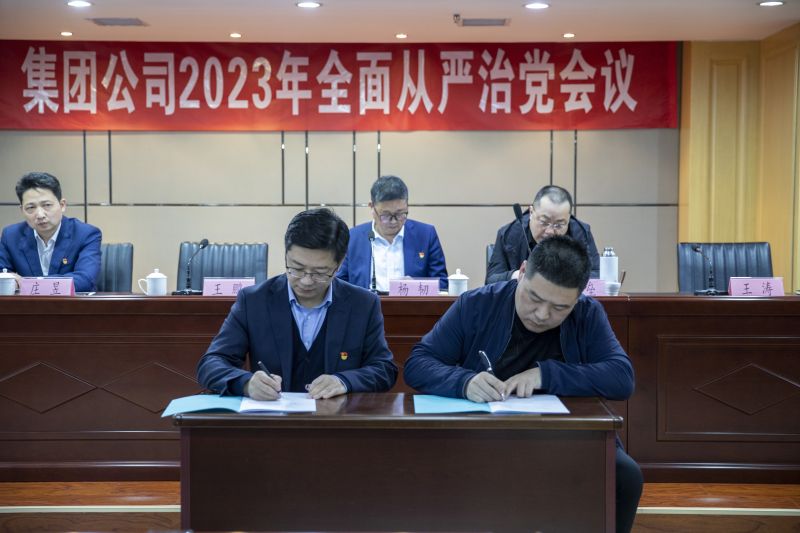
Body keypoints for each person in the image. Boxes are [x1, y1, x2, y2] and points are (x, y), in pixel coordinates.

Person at [405, 235, 642, 533]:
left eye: (559, 308)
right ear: (522, 271)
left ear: (578, 298)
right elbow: (418, 363)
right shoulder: (477, 304)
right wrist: (464, 381)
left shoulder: (587, 313)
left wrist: (546, 375)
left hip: (566, 439)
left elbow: (621, 377)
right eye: (534, 298)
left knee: (625, 476)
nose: (542, 315)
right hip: (481, 437)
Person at [197, 208, 398, 400]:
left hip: (337, 419)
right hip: (273, 419)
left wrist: (344, 381)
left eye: (320, 272)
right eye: (297, 268)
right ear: (286, 254)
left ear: (339, 263)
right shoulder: (253, 301)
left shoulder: (363, 304)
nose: (306, 281)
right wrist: (246, 383)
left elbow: (384, 369)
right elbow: (211, 364)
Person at [337, 175, 448, 291]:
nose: (394, 221)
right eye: (386, 215)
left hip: (411, 303)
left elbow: (442, 284)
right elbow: (339, 285)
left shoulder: (426, 235)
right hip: (364, 303)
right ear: (371, 207)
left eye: (400, 214)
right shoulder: (353, 238)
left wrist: (415, 287)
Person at [0, 172, 102, 292]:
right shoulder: (11, 236)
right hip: (27, 304)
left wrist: (25, 283)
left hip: (71, 303)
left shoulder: (86, 234)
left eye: (47, 205)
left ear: (62, 205)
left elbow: (85, 280)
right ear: (22, 210)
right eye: (31, 207)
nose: (40, 215)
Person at [486, 184, 599, 284]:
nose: (550, 231)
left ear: (569, 219)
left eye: (559, 225)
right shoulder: (510, 234)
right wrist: (517, 275)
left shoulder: (580, 233)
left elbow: (596, 275)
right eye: (544, 222)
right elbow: (491, 280)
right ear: (531, 212)